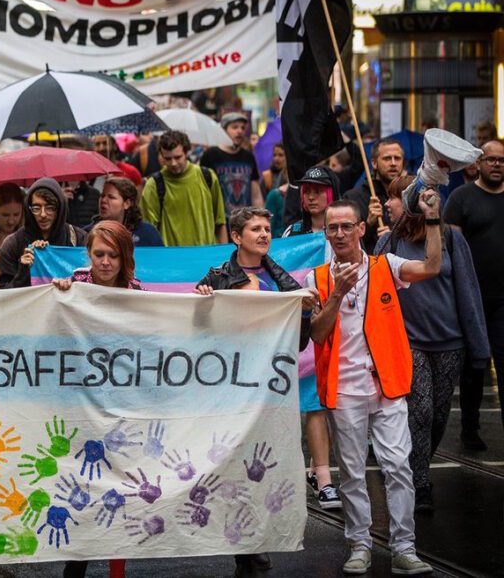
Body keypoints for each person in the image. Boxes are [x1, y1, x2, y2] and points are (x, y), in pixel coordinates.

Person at [307, 196, 442, 575]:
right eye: (332, 228)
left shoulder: (387, 266)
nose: (338, 234)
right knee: (351, 472)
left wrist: (432, 218)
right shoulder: (315, 278)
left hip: (387, 386)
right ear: (325, 232)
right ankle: (360, 544)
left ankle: (404, 548)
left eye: (346, 226)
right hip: (345, 390)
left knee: (398, 466)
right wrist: (335, 293)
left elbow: (432, 266)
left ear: (361, 229)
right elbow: (317, 335)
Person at [194, 207, 327, 574]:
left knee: (262, 466)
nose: (265, 234)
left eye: (267, 228)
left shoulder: (284, 282)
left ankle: (253, 540)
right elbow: (198, 331)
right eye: (256, 229)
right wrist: (202, 300)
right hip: (231, 388)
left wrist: (301, 309)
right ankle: (239, 542)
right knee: (232, 465)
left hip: (268, 389)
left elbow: (299, 342)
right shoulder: (218, 277)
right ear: (237, 237)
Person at [378, 176, 489, 510]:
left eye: (393, 199)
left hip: (450, 342)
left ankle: (418, 466)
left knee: (440, 415)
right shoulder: (389, 242)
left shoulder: (451, 237)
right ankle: (420, 483)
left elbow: (468, 291)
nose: (387, 204)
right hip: (410, 342)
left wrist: (478, 347)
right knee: (421, 412)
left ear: (409, 204)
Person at [52, 220, 139, 578]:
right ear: (88, 255)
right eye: (98, 254)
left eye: (112, 256)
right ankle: (77, 564)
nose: (105, 262)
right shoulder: (77, 283)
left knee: (119, 486)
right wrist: (61, 293)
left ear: (124, 258)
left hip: (121, 402)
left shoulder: (137, 292)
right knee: (82, 484)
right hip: (82, 401)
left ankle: (117, 569)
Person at [444, 139, 504, 450]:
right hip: (472, 298)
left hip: (503, 301)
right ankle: (470, 427)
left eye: (501, 160)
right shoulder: (460, 198)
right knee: (474, 366)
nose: (497, 164)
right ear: (477, 164)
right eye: (491, 159)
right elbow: (452, 250)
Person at [139, 130, 227, 246]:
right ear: (161, 156)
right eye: (168, 158)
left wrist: (224, 256)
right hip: (171, 258)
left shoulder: (207, 176)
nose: (173, 163)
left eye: (178, 157)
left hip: (206, 255)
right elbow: (149, 229)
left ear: (186, 152)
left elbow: (220, 221)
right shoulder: (154, 184)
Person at [0, 177, 88, 288]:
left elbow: (90, 285)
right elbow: (3, 295)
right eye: (36, 207)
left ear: (60, 208)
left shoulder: (79, 238)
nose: (43, 214)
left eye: (50, 208)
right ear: (28, 208)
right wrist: (22, 272)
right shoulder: (14, 244)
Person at [344, 138, 405, 253]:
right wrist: (368, 224)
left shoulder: (409, 195)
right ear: (374, 163)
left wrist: (393, 236)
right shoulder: (353, 197)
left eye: (397, 158)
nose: (393, 163)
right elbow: (346, 242)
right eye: (387, 158)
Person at [199, 112, 264, 213]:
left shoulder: (248, 157)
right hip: (219, 221)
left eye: (242, 128)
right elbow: (202, 192)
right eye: (235, 127)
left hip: (244, 222)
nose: (239, 131)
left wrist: (260, 217)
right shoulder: (210, 155)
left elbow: (256, 194)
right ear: (223, 130)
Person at [90, 176, 162, 246]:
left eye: (111, 197)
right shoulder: (90, 232)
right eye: (102, 195)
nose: (103, 200)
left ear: (127, 203)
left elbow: (161, 257)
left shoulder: (147, 233)